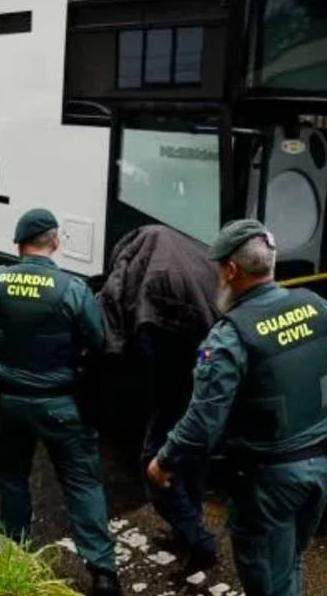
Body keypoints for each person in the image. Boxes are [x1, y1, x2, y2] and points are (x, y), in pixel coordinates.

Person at [147, 219, 327, 596]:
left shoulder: (230, 337)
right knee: (289, 561)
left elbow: (203, 423)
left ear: (230, 270)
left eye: (217, 269)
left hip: (268, 483)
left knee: (268, 581)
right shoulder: (317, 306)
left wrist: (164, 461)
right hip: (321, 467)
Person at [0, 208, 120, 596]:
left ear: (19, 245)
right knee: (82, 483)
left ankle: (15, 557)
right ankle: (103, 573)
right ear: (56, 242)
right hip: (61, 404)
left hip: (9, 403)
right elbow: (97, 341)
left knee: (11, 478)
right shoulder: (72, 289)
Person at [97, 225, 220, 572]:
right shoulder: (195, 259)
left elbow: (123, 322)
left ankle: (199, 541)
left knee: (154, 464)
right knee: (194, 460)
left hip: (175, 384)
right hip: (206, 382)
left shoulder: (147, 277)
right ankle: (185, 533)